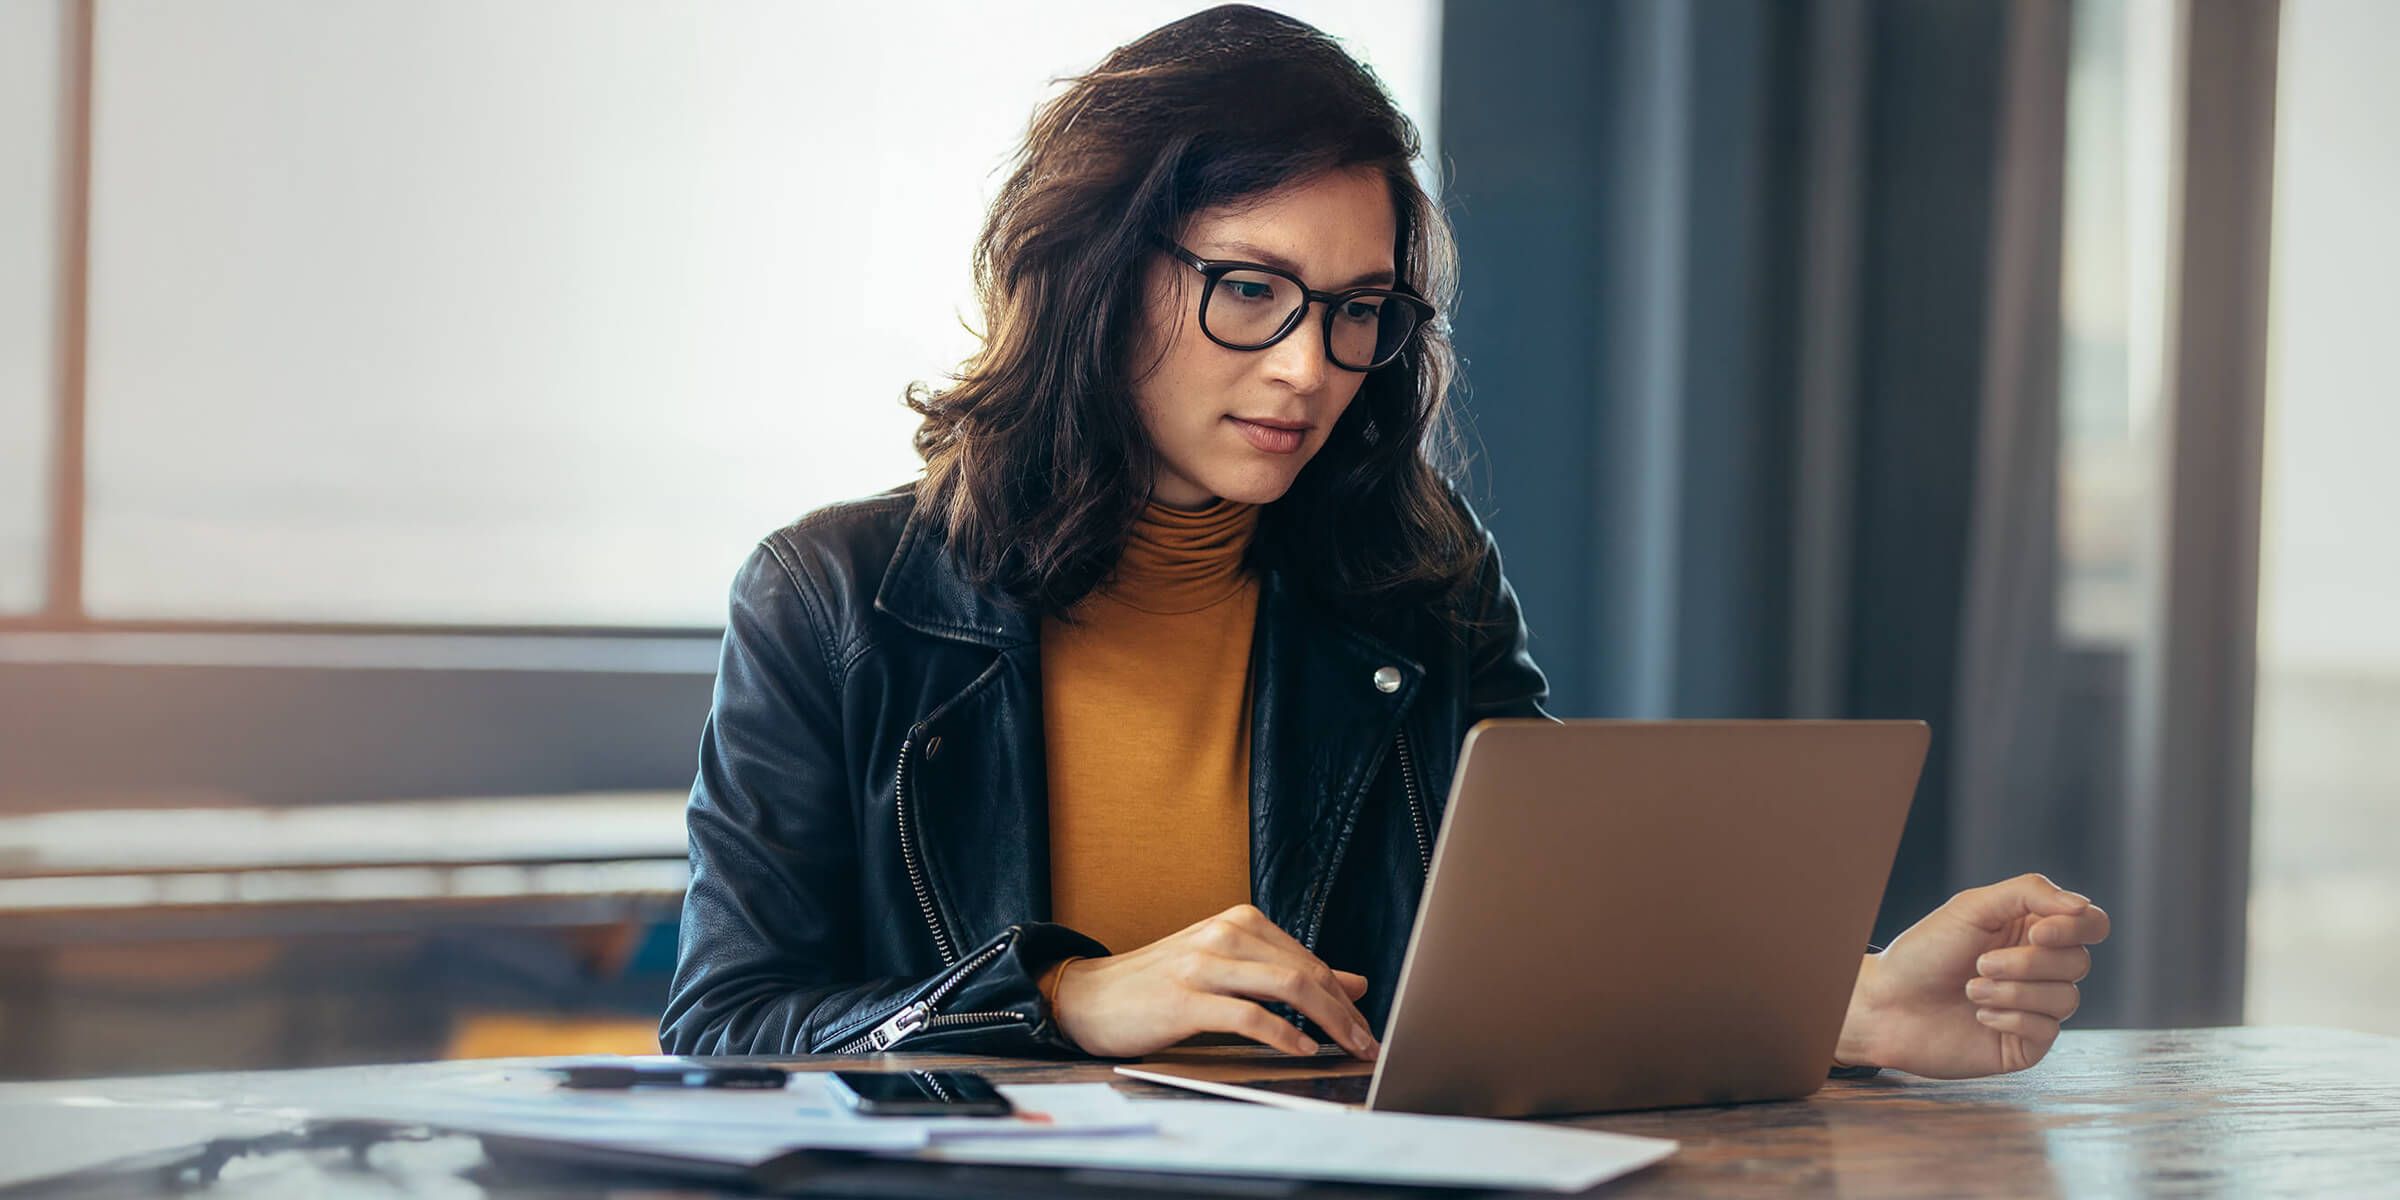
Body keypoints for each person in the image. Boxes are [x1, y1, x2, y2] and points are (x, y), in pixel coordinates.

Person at [657, 5, 2109, 1081]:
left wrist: (1843, 1004)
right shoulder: (836, 601)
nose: (1308, 367)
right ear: (1094, 274)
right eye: (1249, 291)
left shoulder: (1416, 576)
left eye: (1359, 310)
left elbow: (1544, 956)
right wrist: (1066, 1000)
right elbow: (723, 1034)